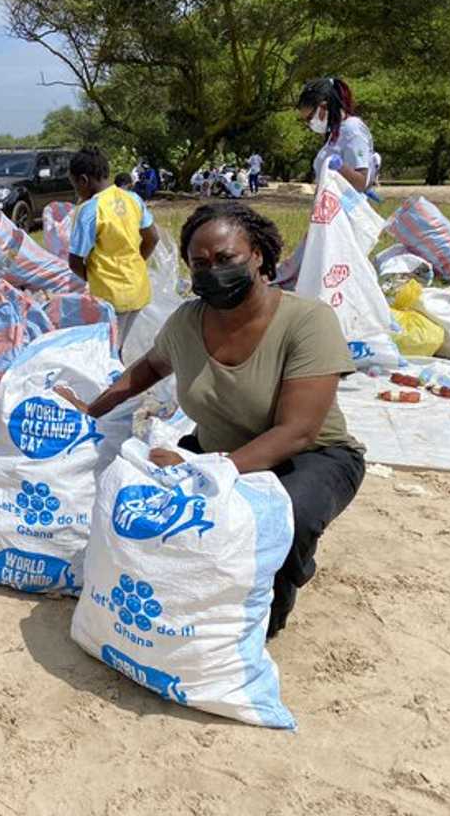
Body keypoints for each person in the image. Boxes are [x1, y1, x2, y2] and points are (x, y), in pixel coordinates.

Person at [58, 202, 365, 638]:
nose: (212, 271)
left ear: (257, 255)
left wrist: (208, 471)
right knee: (146, 500)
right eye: (199, 264)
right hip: (216, 451)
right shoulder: (188, 321)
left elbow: (299, 430)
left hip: (311, 458)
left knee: (284, 519)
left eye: (226, 259)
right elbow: (148, 368)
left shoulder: (307, 321)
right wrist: (93, 408)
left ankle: (275, 600)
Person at [67, 147, 161, 344]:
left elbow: (74, 261)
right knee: (118, 345)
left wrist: (94, 278)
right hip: (138, 287)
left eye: (75, 184)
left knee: (107, 351)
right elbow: (152, 237)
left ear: (83, 180)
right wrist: (134, 263)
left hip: (109, 296)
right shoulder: (133, 198)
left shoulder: (89, 210)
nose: (75, 190)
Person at [297, 77, 376, 193]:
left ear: (324, 107)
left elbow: (361, 183)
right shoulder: (335, 133)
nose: (309, 124)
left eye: (310, 118)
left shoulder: (352, 130)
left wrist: (340, 167)